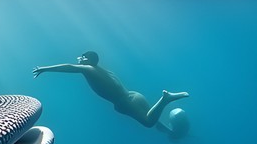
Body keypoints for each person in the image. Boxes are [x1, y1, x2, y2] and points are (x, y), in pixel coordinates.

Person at [32, 51, 189, 129]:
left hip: (124, 102)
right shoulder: (101, 69)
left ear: (87, 60)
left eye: (81, 57)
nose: (79, 59)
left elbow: (69, 67)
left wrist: (44, 69)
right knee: (151, 116)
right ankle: (168, 129)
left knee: (148, 123)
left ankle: (165, 99)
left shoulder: (88, 68)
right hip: (133, 95)